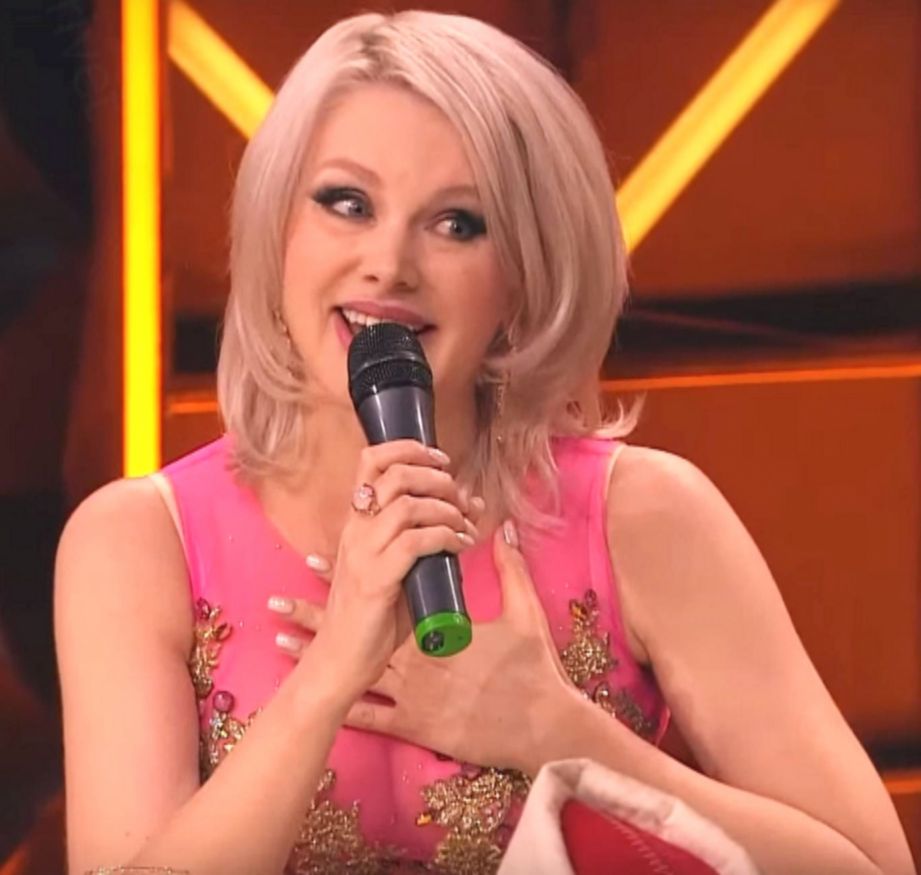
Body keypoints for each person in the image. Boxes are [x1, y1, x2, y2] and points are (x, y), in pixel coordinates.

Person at [54, 9, 914, 875]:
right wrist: (328, 676)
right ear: (277, 229)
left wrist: (564, 735)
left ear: (527, 275)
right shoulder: (137, 543)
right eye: (346, 203)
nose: (389, 263)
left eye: (457, 223)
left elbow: (870, 869)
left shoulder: (647, 515)